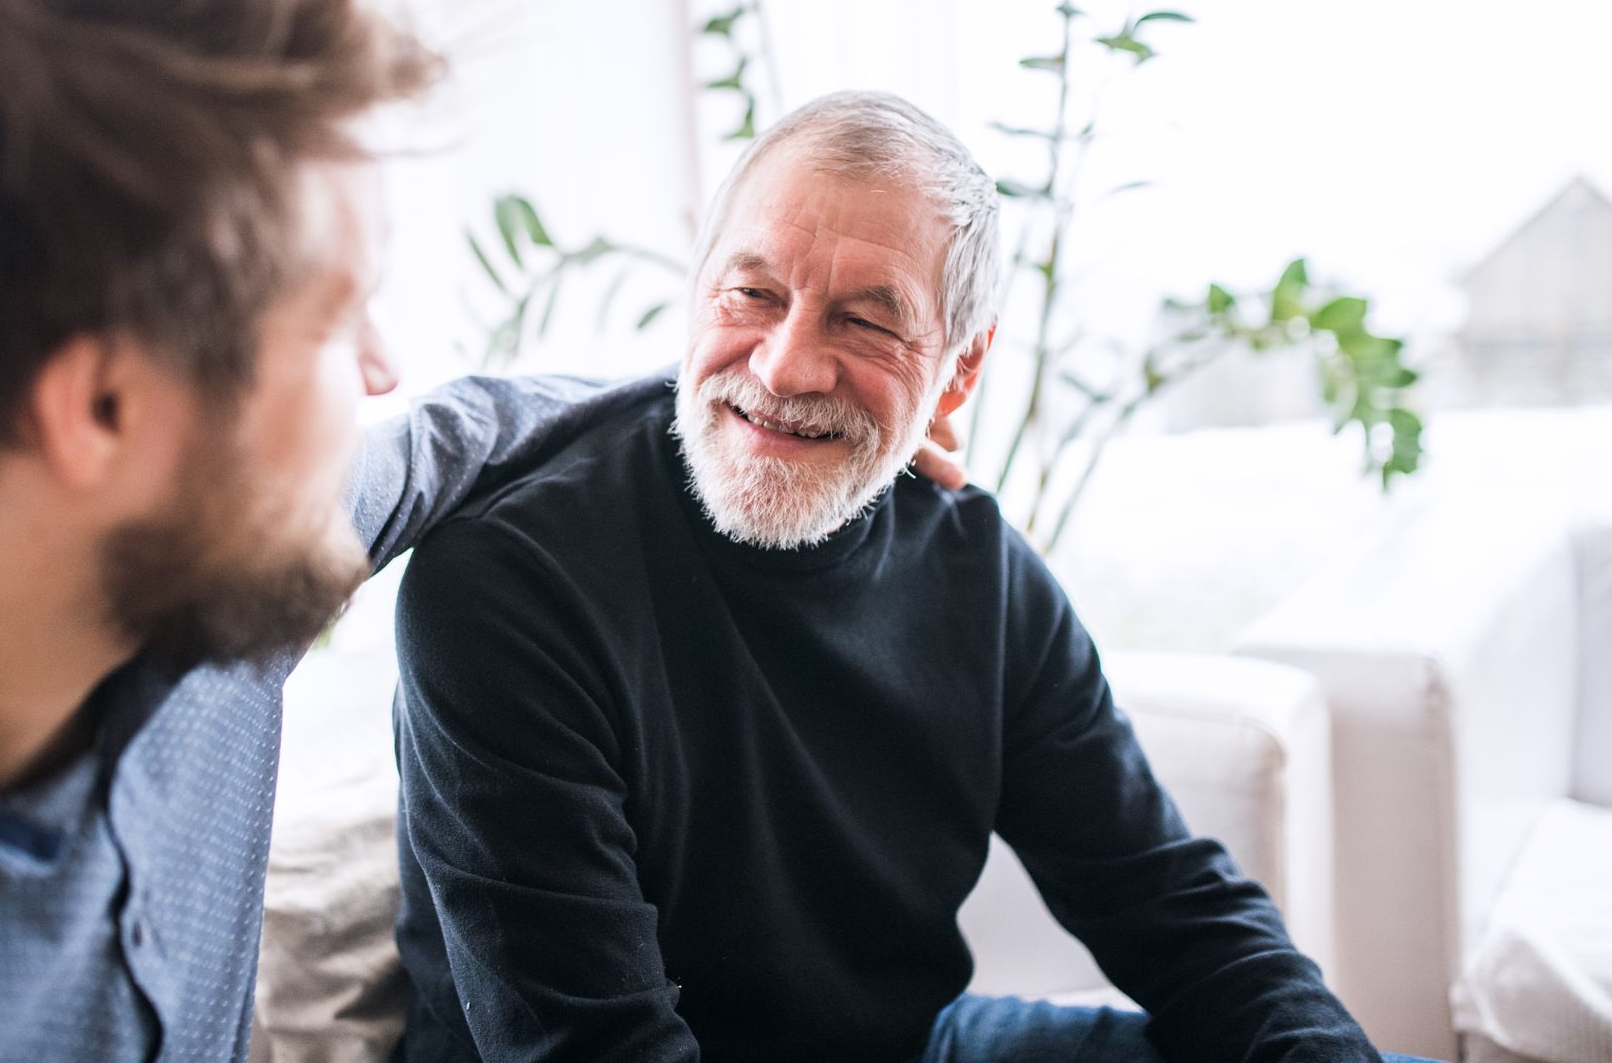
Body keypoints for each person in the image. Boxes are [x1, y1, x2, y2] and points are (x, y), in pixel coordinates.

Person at [0, 0, 829, 1060]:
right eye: (338, 318)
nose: (381, 366)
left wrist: (786, 414)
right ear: (101, 409)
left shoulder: (179, 531)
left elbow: (460, 429)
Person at [392, 91, 1438, 1062]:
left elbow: (1170, 903)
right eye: (753, 292)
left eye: (866, 319)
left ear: (958, 369)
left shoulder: (980, 575)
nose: (787, 365)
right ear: (698, 290)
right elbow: (595, 1047)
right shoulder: (506, 583)